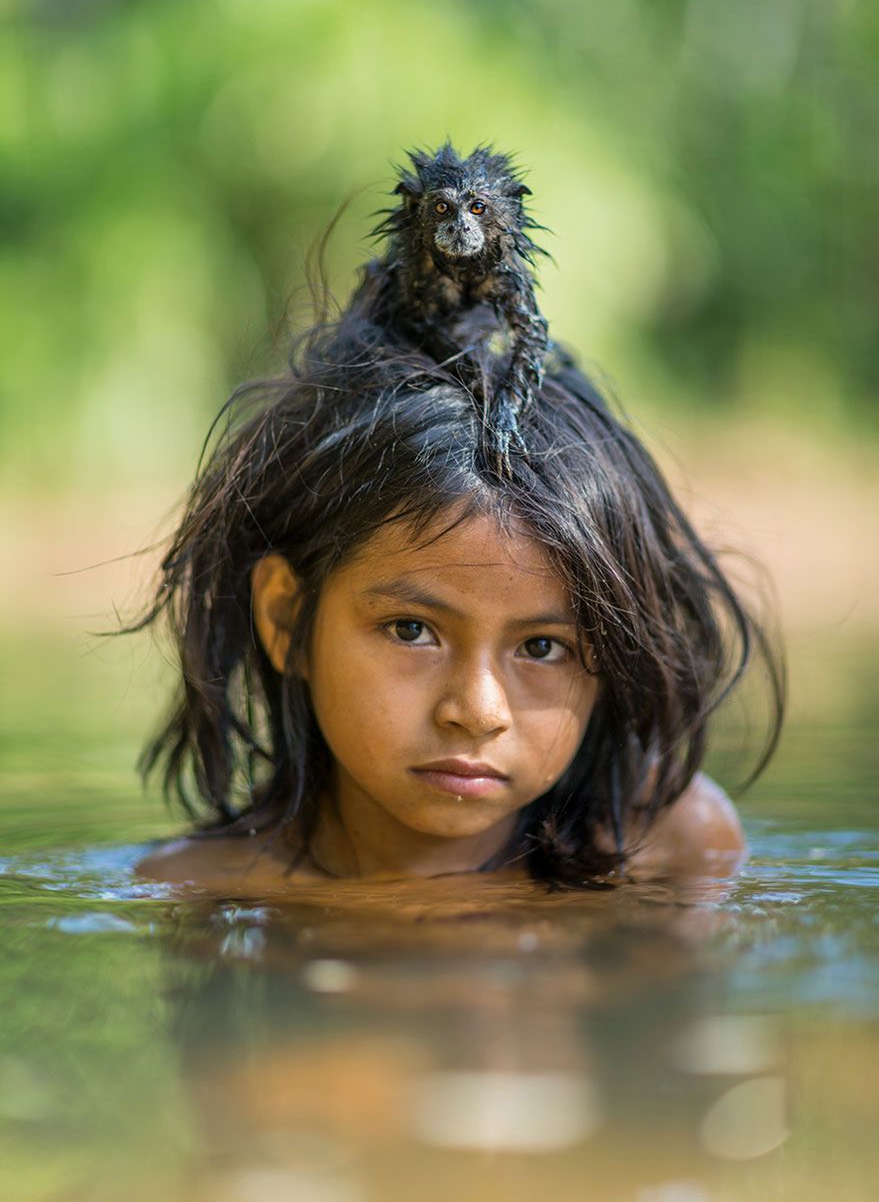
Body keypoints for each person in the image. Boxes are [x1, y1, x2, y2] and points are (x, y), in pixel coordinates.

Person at [134, 230, 783, 895]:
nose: (475, 710)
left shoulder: (666, 851)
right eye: (412, 629)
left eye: (541, 646)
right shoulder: (201, 890)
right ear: (286, 617)